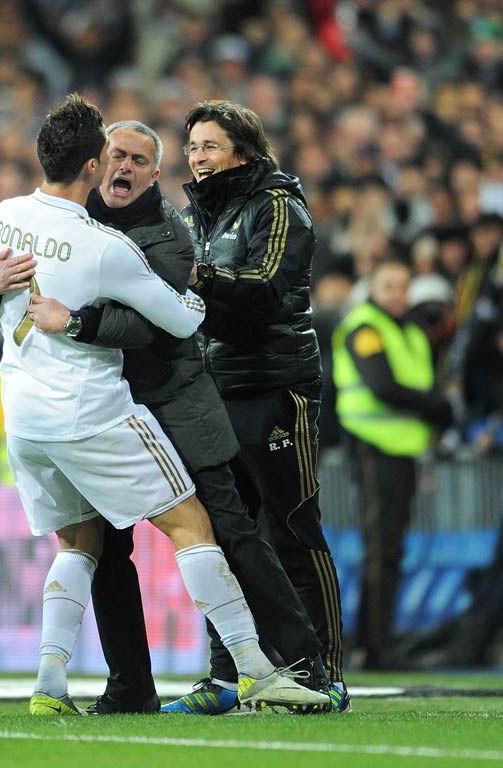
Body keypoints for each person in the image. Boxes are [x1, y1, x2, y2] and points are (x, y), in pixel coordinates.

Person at [0, 94, 328, 716]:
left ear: (152, 172)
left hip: (156, 404)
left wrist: (78, 319)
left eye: (140, 159)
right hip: (94, 410)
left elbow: (152, 331)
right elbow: (181, 317)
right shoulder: (98, 241)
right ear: (93, 162)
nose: (125, 167)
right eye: (116, 155)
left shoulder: (142, 229)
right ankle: (147, 684)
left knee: (221, 526)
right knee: (137, 540)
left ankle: (296, 661)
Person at [181, 100, 349, 710]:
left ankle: (323, 672)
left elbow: (270, 288)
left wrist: (192, 274)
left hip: (277, 386)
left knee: (291, 526)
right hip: (213, 390)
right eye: (192, 147)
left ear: (243, 151)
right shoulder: (195, 216)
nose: (197, 158)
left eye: (210, 146)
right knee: (226, 535)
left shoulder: (279, 204)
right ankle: (228, 678)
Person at [332, 259, 455, 669]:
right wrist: (437, 407)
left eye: (403, 287)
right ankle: (375, 648)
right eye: (389, 286)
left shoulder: (409, 332)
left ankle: (373, 643)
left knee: (388, 548)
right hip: (373, 447)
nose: (397, 295)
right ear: (373, 287)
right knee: (382, 548)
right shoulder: (366, 328)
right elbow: (382, 386)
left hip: (401, 450)